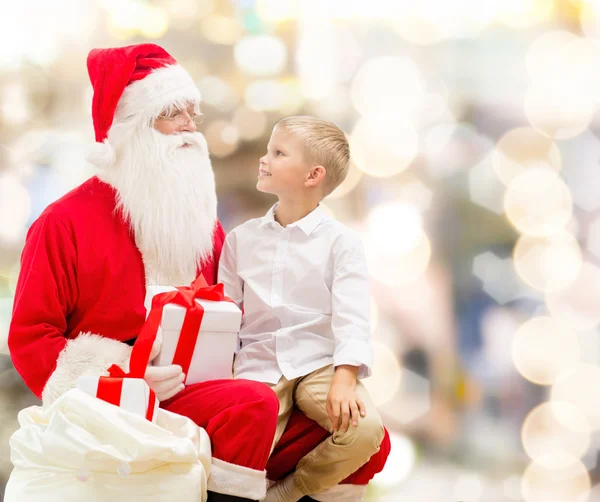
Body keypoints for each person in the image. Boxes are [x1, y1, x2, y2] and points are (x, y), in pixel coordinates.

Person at [218, 116, 385, 502]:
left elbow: (353, 316)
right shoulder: (241, 240)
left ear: (313, 175)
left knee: (365, 430)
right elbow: (226, 312)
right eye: (267, 151)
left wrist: (345, 378)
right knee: (239, 446)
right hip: (257, 363)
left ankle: (288, 493)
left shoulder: (341, 243)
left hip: (319, 363)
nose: (264, 159)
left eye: (278, 153)